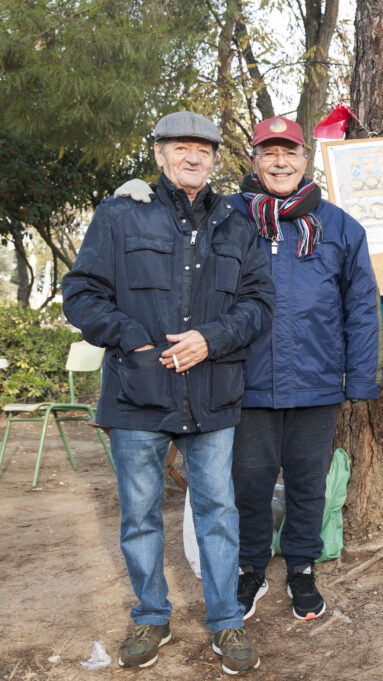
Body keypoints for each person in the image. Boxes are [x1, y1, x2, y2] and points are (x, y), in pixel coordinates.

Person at [117, 115, 383, 622]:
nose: (280, 162)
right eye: (269, 153)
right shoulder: (226, 217)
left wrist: (362, 377)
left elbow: (362, 306)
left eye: (290, 153)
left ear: (305, 160)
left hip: (317, 381)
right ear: (254, 161)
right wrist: (137, 196)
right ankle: (251, 568)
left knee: (309, 482)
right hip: (245, 380)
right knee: (250, 484)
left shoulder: (341, 227)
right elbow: (175, 224)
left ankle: (302, 567)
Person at [62, 111, 273, 674]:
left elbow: (259, 304)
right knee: (139, 516)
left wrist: (213, 338)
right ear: (159, 154)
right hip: (138, 394)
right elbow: (80, 294)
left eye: (203, 149)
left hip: (214, 393)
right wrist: (131, 338)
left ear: (215, 159)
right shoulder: (119, 215)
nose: (193, 157)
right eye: (181, 147)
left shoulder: (236, 222)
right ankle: (151, 616)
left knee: (218, 514)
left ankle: (227, 623)